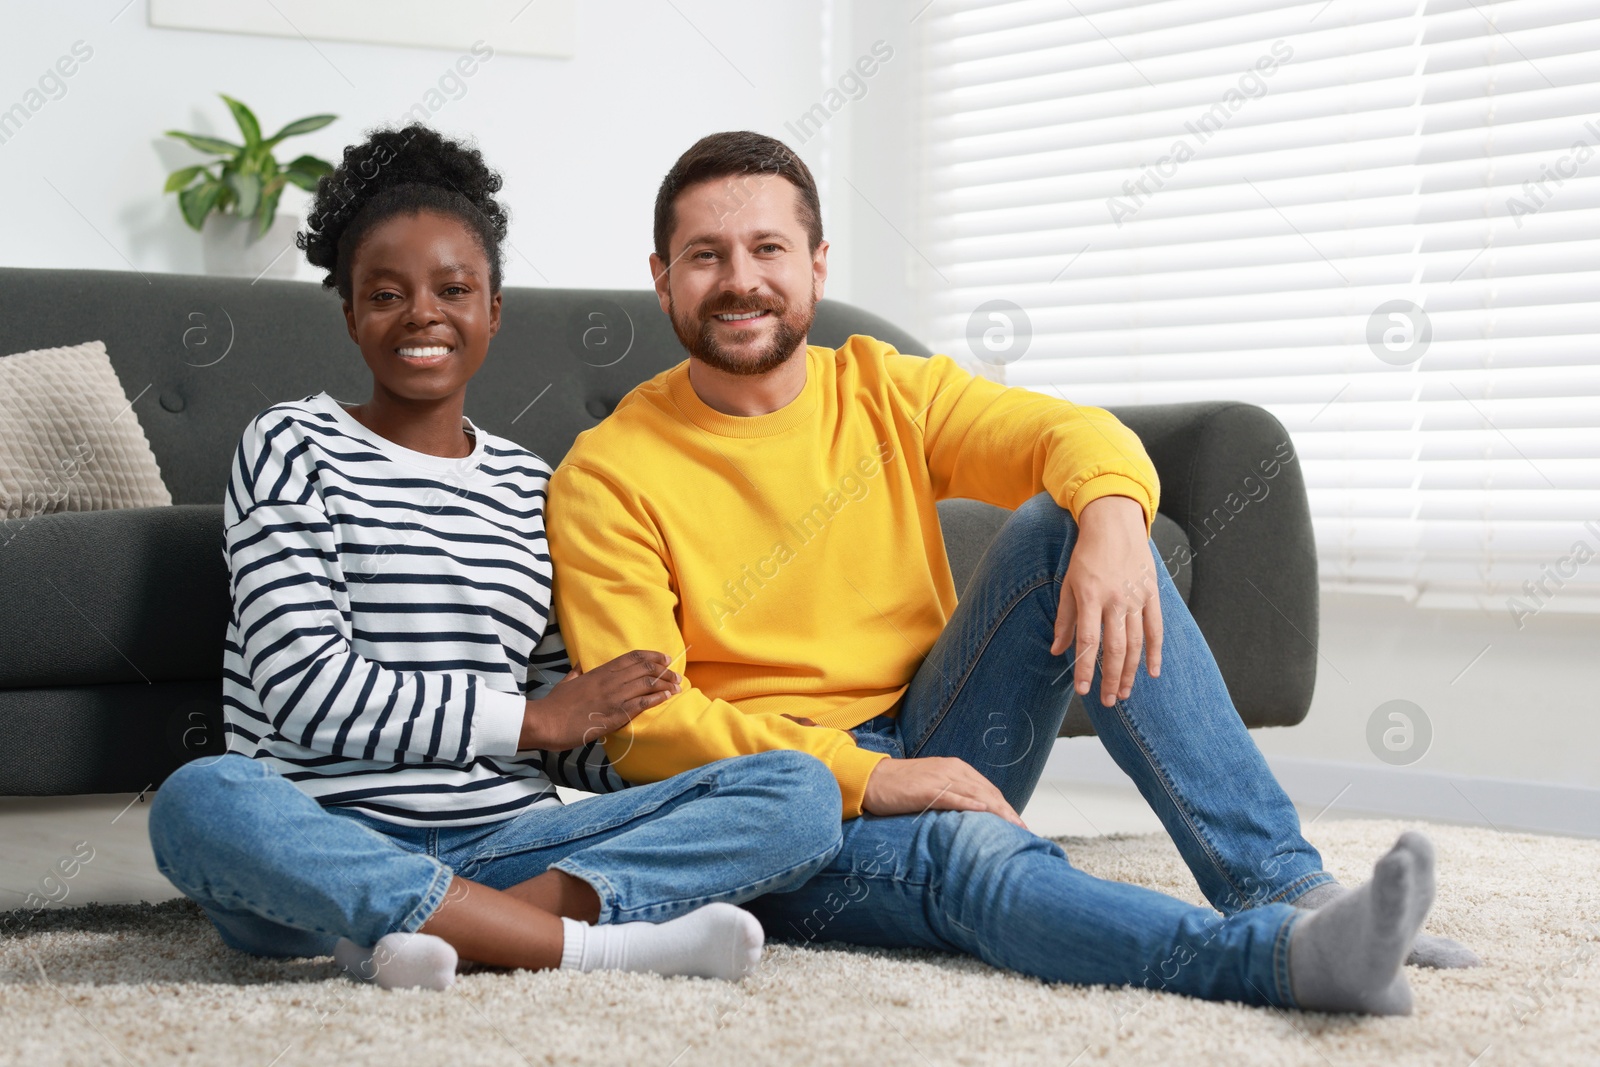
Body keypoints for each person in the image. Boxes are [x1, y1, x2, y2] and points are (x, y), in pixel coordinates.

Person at [544, 130, 1478, 1014]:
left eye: (768, 248)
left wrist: (1112, 523)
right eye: (706, 255)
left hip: (943, 734)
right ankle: (1285, 962)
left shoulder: (881, 386)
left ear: (817, 266)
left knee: (1065, 522)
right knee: (970, 859)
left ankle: (1283, 883)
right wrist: (870, 776)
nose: (740, 280)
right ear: (663, 279)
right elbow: (647, 729)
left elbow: (1069, 433)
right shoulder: (607, 474)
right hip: (768, 810)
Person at [147, 125, 843, 991]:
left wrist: (643, 726)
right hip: (323, 838)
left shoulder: (528, 482)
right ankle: (587, 945)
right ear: (351, 313)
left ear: (493, 309)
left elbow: (563, 724)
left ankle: (436, 926)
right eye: (386, 293)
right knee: (200, 800)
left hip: (506, 841)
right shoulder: (290, 443)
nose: (423, 314)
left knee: (799, 792)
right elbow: (303, 693)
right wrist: (538, 721)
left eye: (454, 288)